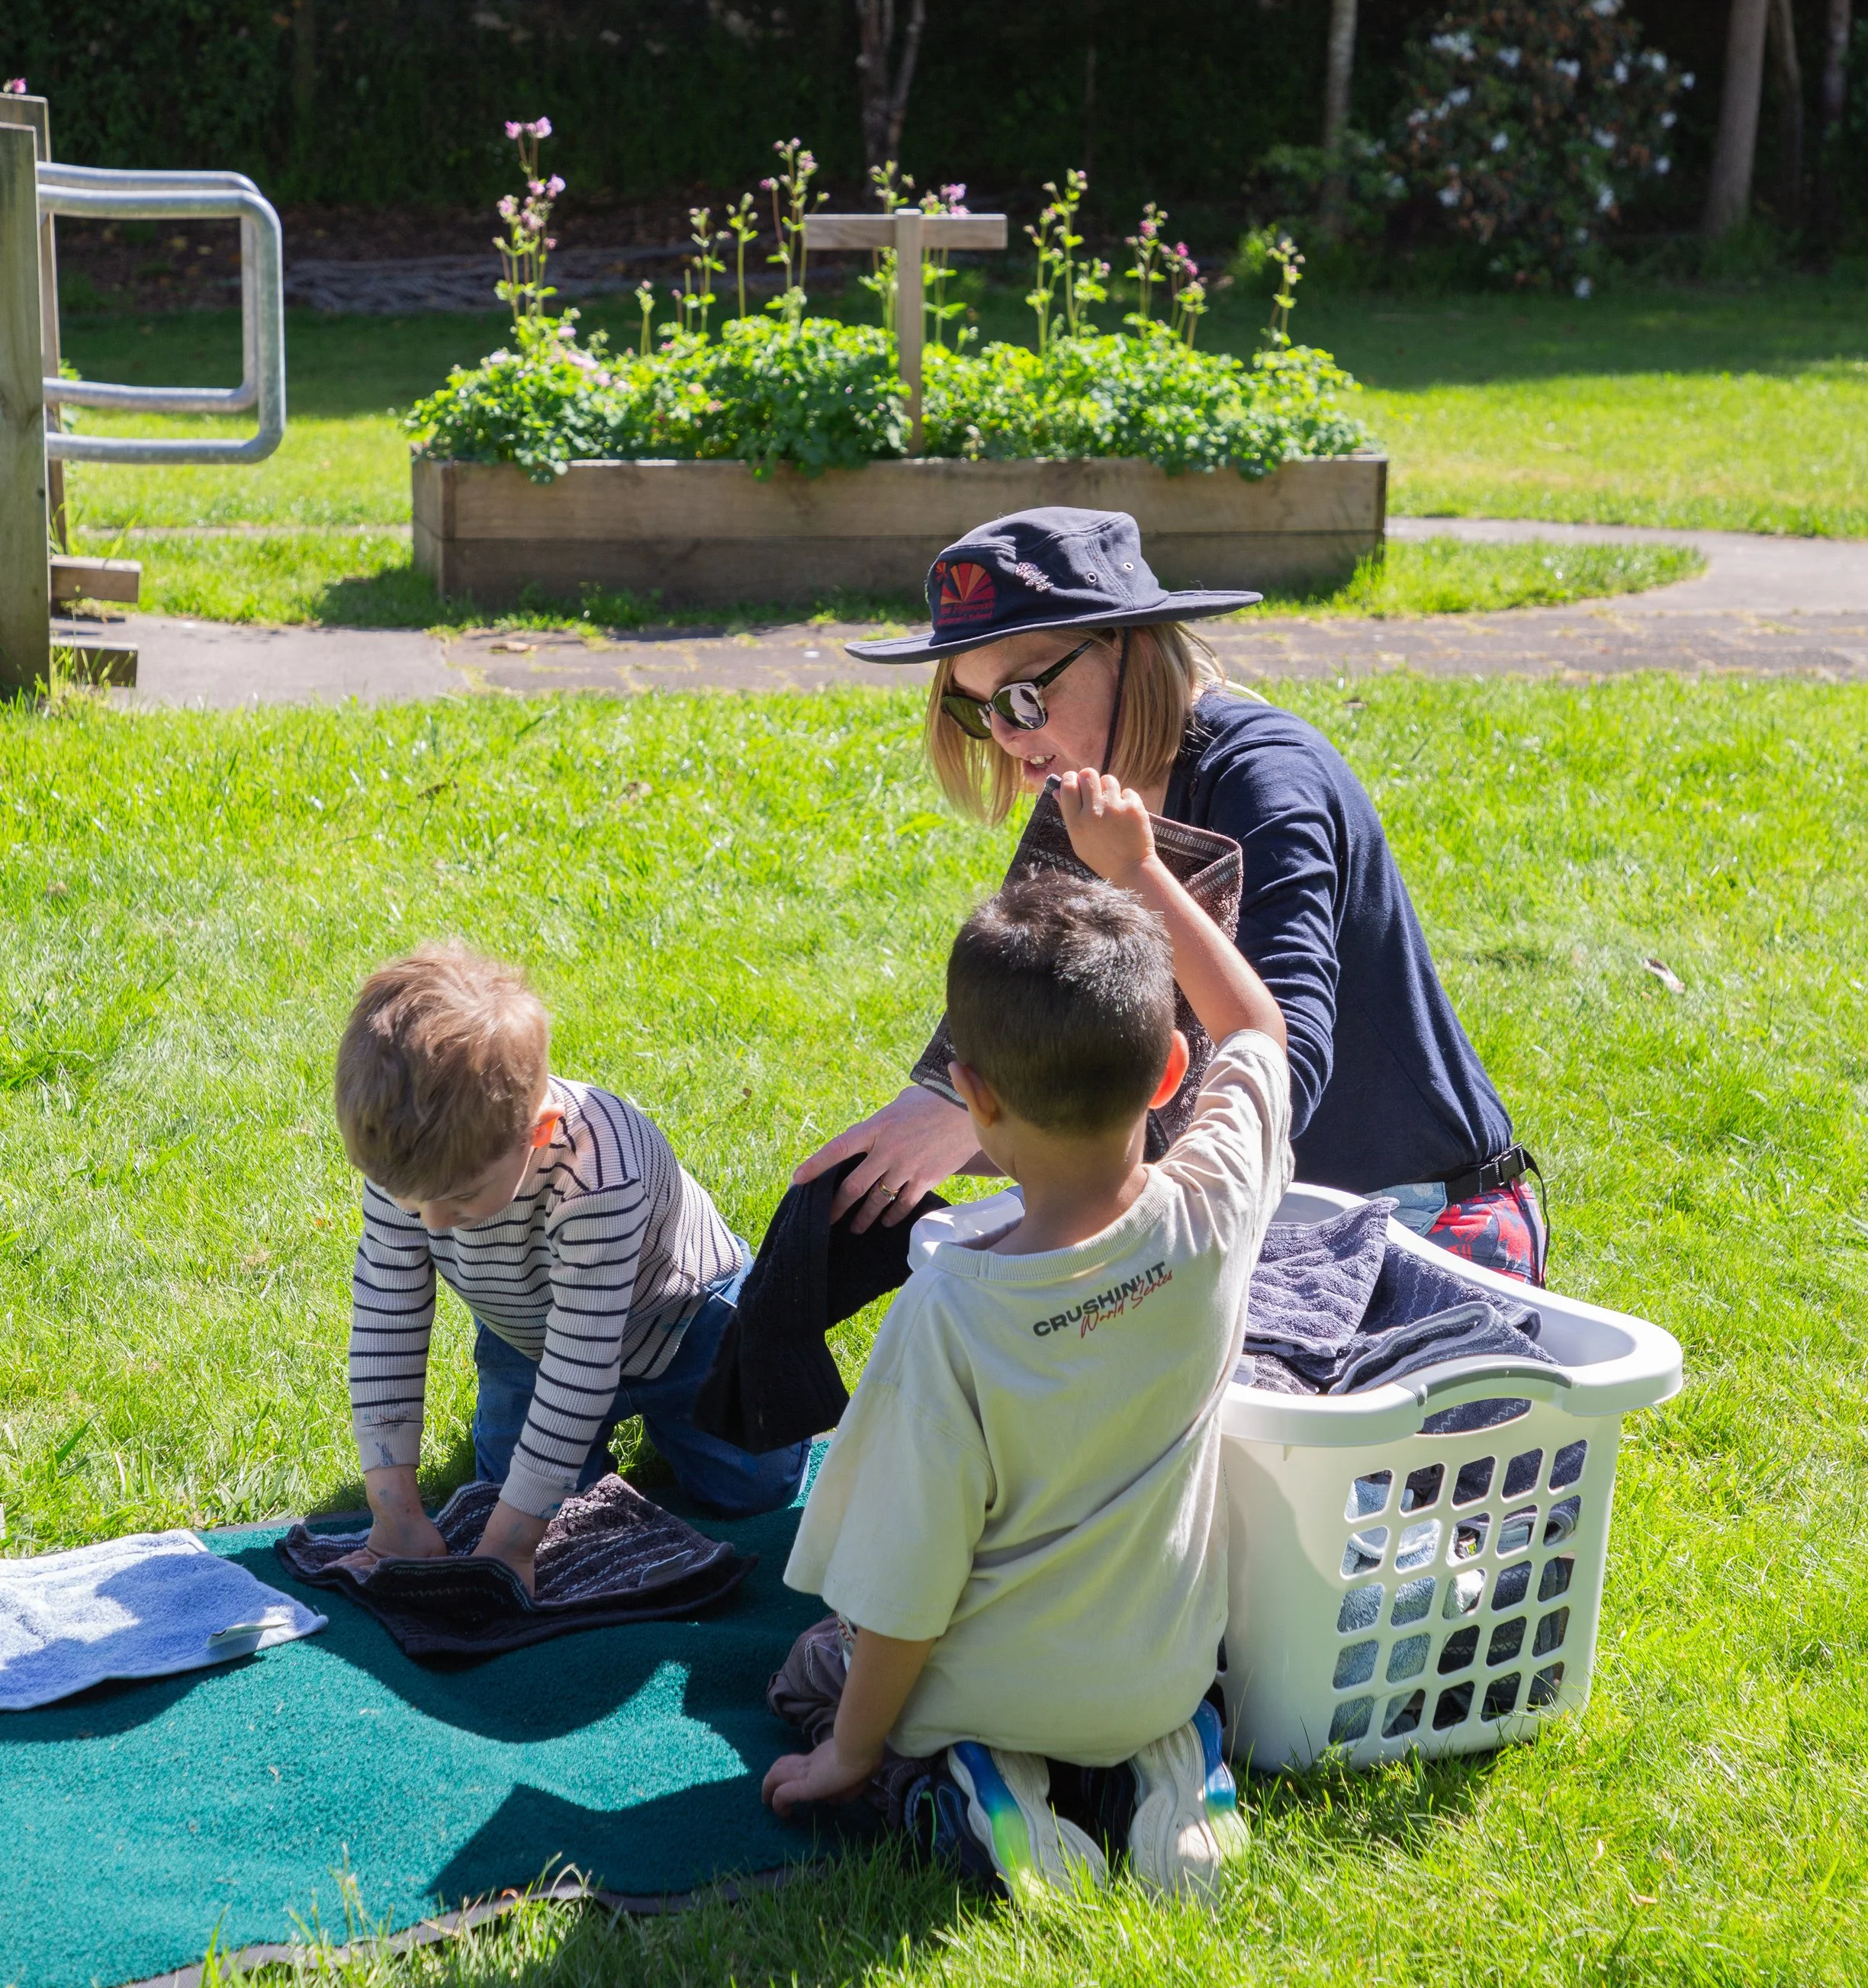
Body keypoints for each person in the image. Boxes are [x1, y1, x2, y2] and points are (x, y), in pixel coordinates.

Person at [762, 766, 1292, 1906]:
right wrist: (1141, 866)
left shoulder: (949, 1315)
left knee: (814, 1671)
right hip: (1159, 1674)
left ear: (972, 1099)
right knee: (1132, 1698)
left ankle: (972, 1787)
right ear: (1169, 1070)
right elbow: (1258, 1021)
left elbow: (901, 1590)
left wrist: (850, 1753)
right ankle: (1171, 1764)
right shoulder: (1212, 1213)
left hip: (985, 1690)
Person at [801, 506, 1545, 1282]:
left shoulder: (1262, 776)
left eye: (1024, 696)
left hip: (1416, 1220)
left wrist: (974, 1124)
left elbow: (1280, 1068)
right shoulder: (1087, 801)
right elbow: (1065, 1053)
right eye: (975, 708)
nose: (1006, 738)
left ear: (1127, 648)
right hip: (1250, 1212)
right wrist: (954, 1111)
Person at [333, 943, 802, 1596]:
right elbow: (386, 1322)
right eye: (415, 1201)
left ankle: (721, 1390)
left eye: (462, 1198)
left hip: (685, 1322)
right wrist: (395, 1514)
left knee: (753, 1488)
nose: (433, 1223)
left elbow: (583, 1364)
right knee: (514, 1494)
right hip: (529, 1335)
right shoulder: (412, 1169)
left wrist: (507, 1545)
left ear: (539, 1133)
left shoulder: (601, 1175)